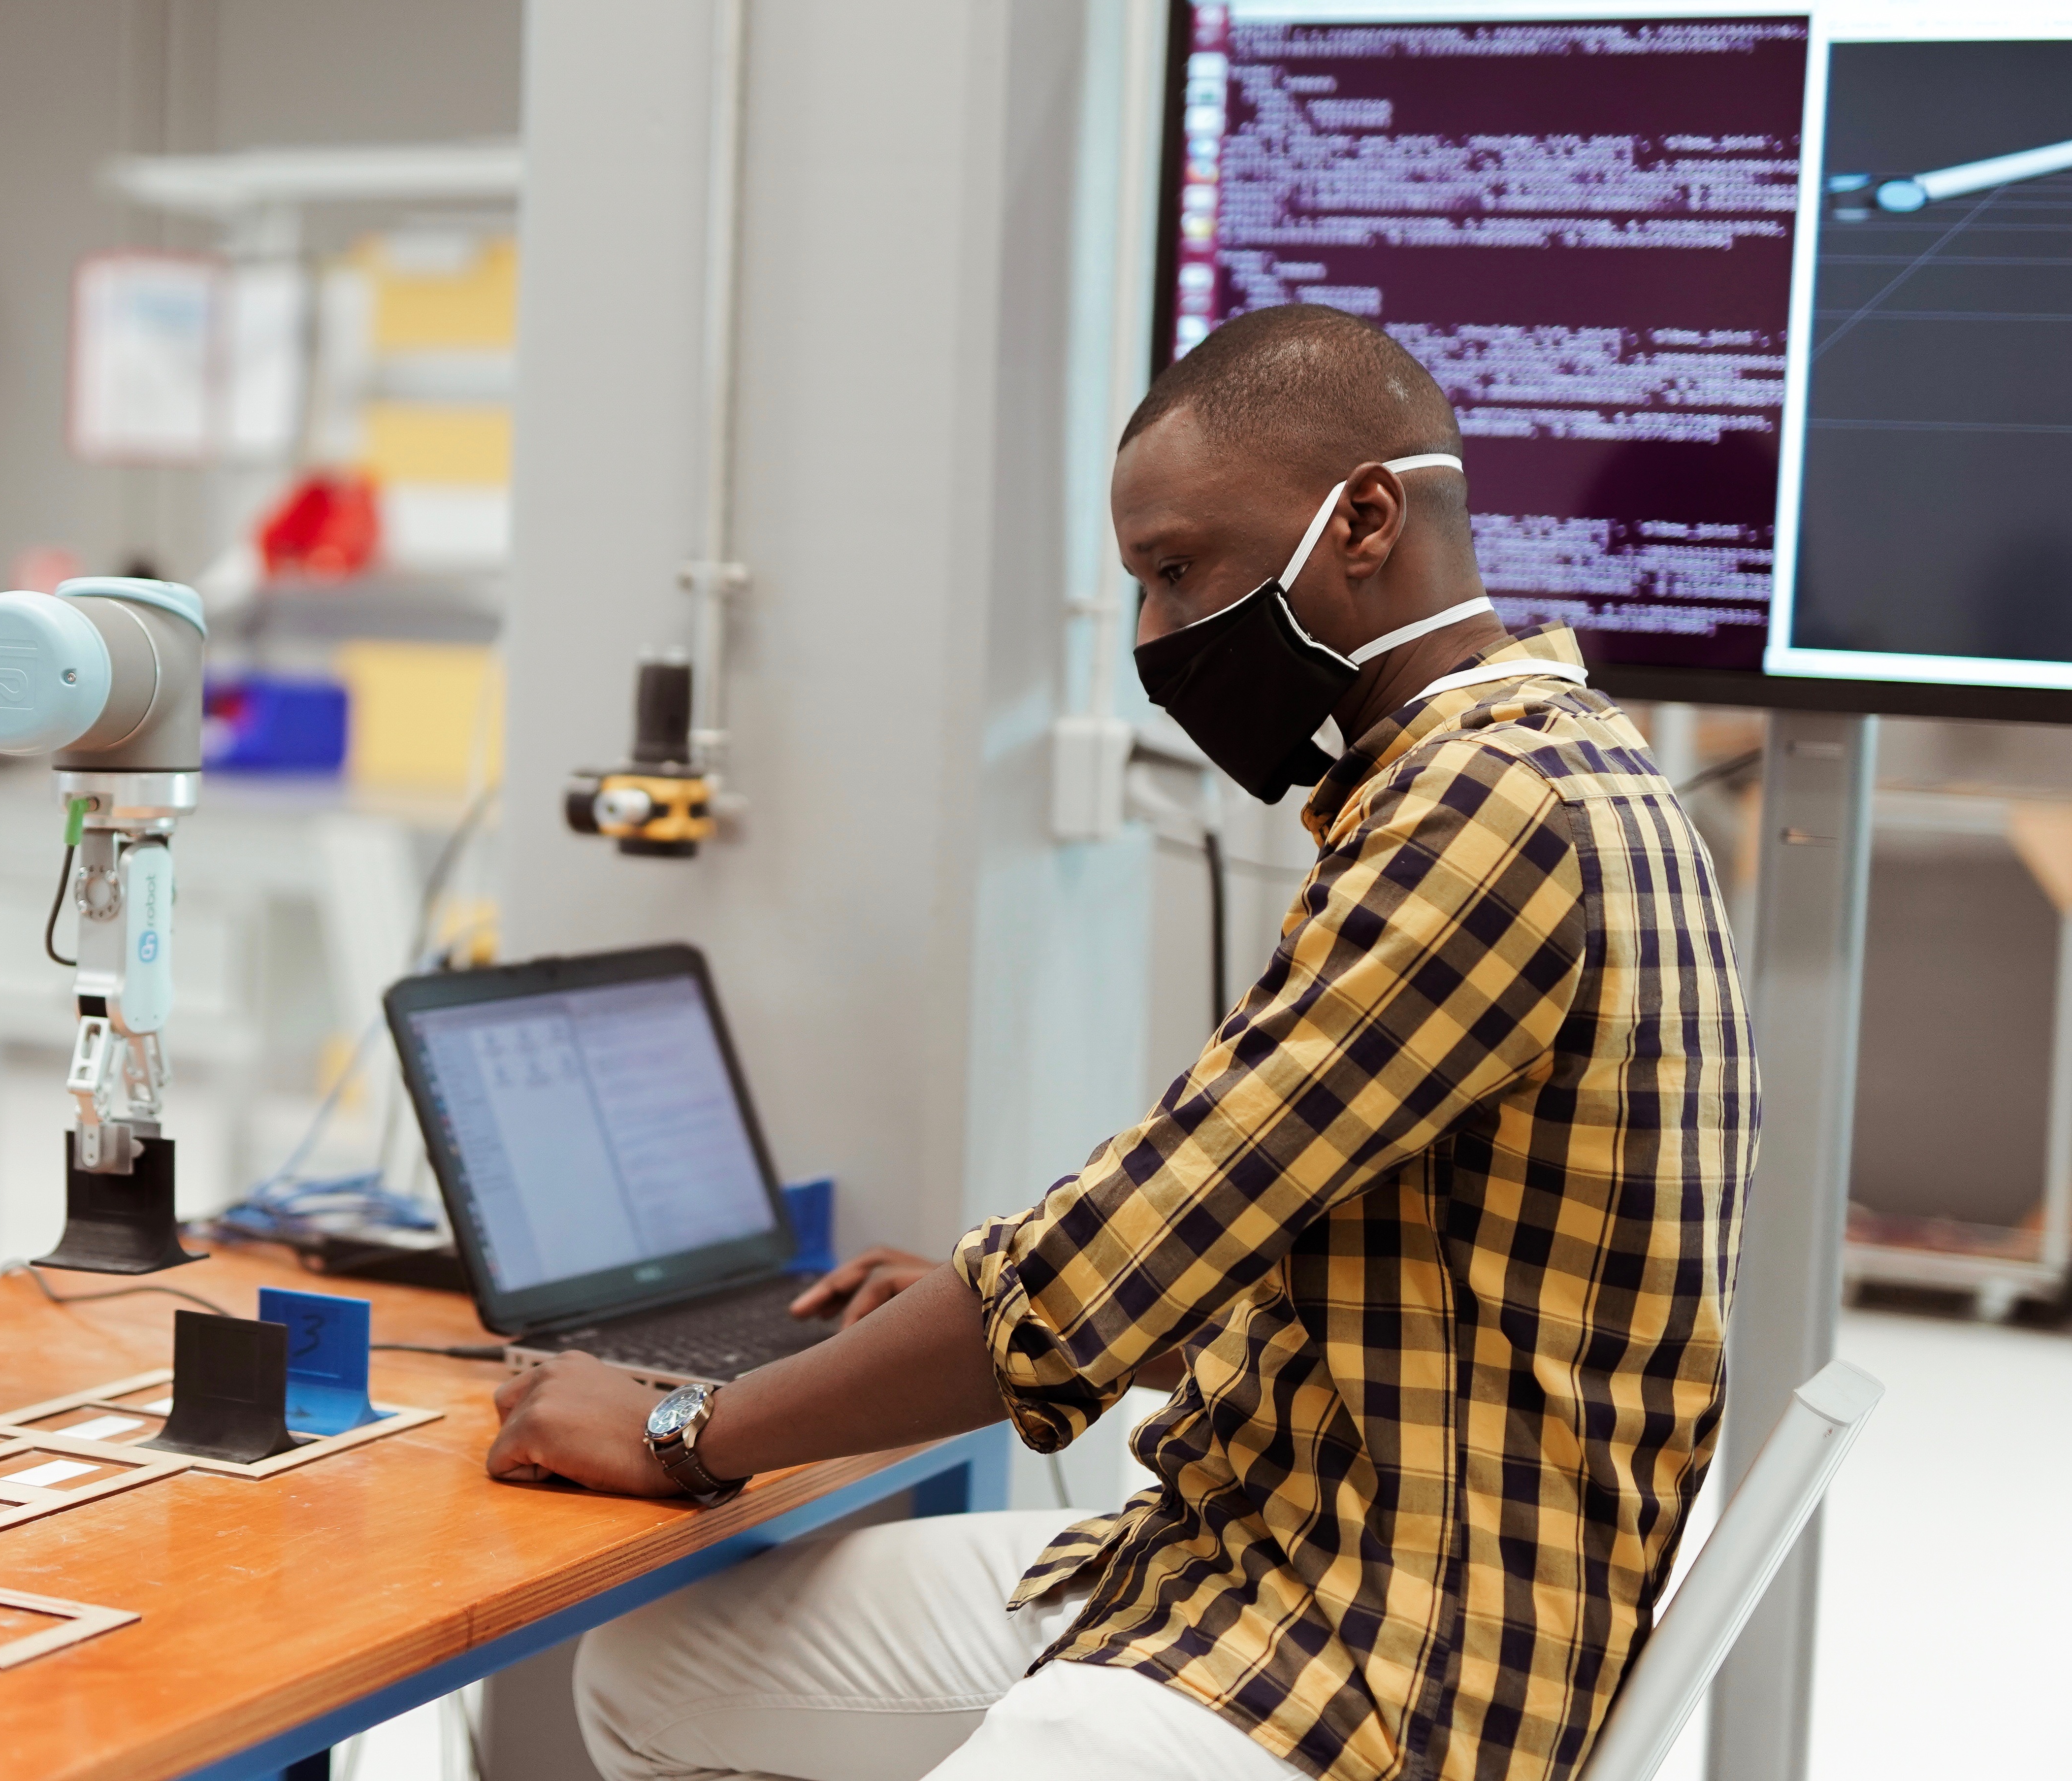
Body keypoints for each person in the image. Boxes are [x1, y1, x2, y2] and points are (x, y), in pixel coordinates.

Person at [487, 304, 1757, 1781]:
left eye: (1177, 571)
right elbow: (1404, 1296)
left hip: (1374, 1656)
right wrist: (982, 1320)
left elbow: (1105, 1264)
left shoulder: (1490, 815)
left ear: (1361, 520)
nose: (1155, 636)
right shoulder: (1542, 768)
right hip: (1261, 1550)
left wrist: (682, 1431)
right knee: (662, 1668)